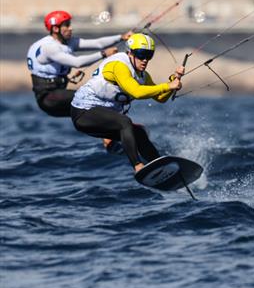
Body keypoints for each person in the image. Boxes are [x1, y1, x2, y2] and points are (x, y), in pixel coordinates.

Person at [70, 33, 184, 173]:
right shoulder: (119, 65)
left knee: (139, 134)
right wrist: (168, 86)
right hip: (83, 113)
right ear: (129, 52)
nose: (144, 60)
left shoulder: (143, 75)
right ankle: (137, 167)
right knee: (125, 122)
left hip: (100, 116)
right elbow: (136, 92)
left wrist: (174, 79)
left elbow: (161, 98)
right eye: (141, 54)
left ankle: (161, 168)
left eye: (149, 55)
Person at [26, 10, 133, 117]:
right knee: (88, 97)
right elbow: (77, 62)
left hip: (59, 94)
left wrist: (121, 37)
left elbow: (97, 43)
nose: (71, 28)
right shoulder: (49, 47)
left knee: (94, 110)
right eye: (66, 25)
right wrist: (104, 54)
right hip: (48, 98)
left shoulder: (67, 42)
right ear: (55, 29)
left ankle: (114, 123)